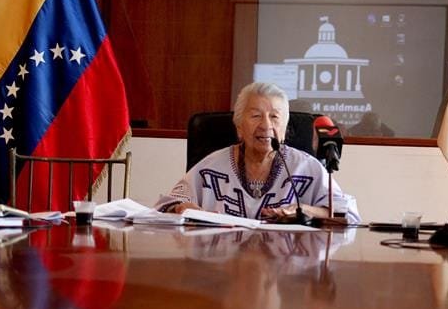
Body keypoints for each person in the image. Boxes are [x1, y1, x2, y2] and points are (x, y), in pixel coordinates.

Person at [155, 82, 361, 223]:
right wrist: (182, 208)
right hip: (222, 267)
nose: (266, 125)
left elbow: (348, 215)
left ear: (284, 129)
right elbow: (167, 205)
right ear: (239, 127)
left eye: (274, 117)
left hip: (288, 269)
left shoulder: (306, 167)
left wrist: (305, 211)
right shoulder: (211, 166)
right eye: (255, 116)